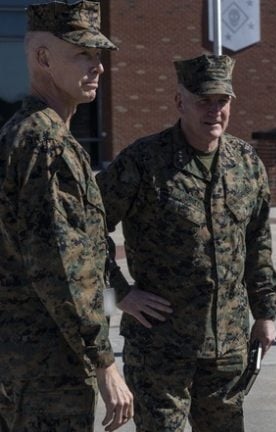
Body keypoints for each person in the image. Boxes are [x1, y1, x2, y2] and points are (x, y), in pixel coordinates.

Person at [96, 54, 276, 432]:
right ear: (180, 102)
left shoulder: (246, 162)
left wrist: (265, 313)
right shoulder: (144, 161)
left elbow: (258, 241)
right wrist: (121, 293)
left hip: (227, 346)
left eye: (222, 100)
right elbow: (85, 230)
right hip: (162, 347)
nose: (214, 110)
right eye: (203, 100)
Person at [0, 1, 133, 431]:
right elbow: (61, 264)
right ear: (42, 58)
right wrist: (103, 360)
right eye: (82, 54)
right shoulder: (45, 144)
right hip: (47, 363)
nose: (97, 67)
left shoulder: (28, 133)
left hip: (27, 355)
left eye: (98, 56)